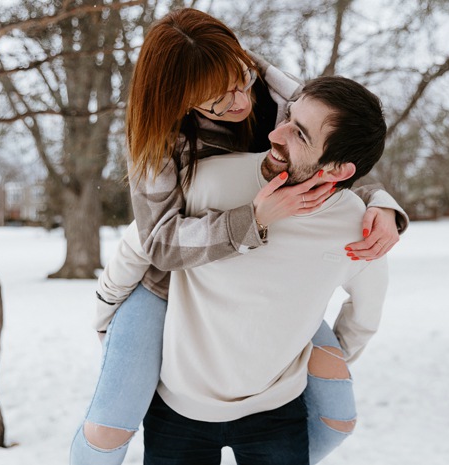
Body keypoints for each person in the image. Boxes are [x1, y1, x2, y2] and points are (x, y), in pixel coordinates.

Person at [70, 8, 406, 465]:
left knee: (335, 408)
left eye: (238, 79)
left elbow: (337, 150)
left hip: (264, 279)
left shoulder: (270, 86)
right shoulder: (159, 141)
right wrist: (253, 220)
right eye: (216, 100)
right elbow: (160, 243)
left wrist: (379, 201)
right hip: (171, 284)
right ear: (181, 101)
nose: (239, 103)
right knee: (111, 422)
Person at [143, 75, 389, 464]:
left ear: (339, 170)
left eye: (301, 135)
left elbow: (365, 313)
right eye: (288, 116)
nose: (276, 133)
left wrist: (322, 360)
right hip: (178, 408)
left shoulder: (357, 228)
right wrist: (106, 311)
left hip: (277, 410)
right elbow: (144, 244)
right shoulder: (209, 182)